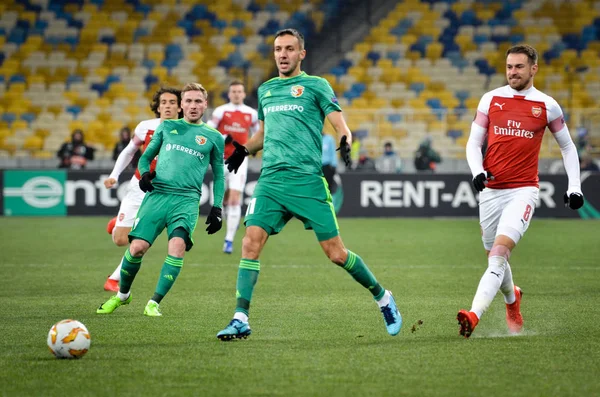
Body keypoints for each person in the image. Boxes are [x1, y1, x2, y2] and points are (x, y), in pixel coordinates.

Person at [216, 28, 402, 341]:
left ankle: (383, 296)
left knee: (336, 253)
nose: (283, 54)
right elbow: (264, 131)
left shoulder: (316, 85)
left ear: (302, 54)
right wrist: (245, 150)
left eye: (289, 49)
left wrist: (345, 140)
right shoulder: (266, 90)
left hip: (307, 181)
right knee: (250, 241)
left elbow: (340, 124)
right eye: (278, 49)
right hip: (271, 181)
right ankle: (240, 318)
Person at [458, 44, 584, 338]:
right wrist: (477, 171)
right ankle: (512, 299)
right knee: (494, 258)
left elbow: (567, 147)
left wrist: (575, 187)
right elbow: (473, 143)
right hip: (491, 191)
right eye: (509, 67)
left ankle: (473, 315)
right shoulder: (491, 99)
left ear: (533, 69)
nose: (513, 72)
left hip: (523, 191)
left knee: (499, 254)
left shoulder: (547, 105)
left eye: (519, 67)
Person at [96, 82, 225, 317]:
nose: (193, 106)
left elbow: (219, 175)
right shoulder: (166, 128)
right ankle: (122, 296)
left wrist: (217, 207)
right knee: (136, 248)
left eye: (198, 101)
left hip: (186, 201)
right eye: (189, 101)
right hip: (158, 195)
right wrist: (144, 174)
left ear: (205, 104)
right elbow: (144, 158)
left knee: (177, 248)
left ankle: (154, 302)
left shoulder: (214, 137)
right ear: (181, 105)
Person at [102, 87, 182, 292]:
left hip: (163, 192)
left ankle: (114, 279)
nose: (167, 106)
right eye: (164, 102)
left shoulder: (188, 130)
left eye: (172, 102)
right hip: (139, 187)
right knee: (120, 240)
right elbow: (129, 151)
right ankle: (115, 224)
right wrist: (114, 175)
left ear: (180, 106)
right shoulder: (145, 127)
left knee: (142, 241)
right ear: (158, 106)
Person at [207, 80, 259, 255]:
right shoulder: (221, 111)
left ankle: (228, 240)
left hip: (239, 160)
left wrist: (251, 147)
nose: (236, 94)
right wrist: (222, 137)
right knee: (221, 196)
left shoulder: (251, 114)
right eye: (234, 91)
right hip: (220, 159)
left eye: (239, 91)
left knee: (235, 198)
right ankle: (219, 214)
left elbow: (259, 133)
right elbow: (208, 131)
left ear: (244, 94)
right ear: (229, 94)